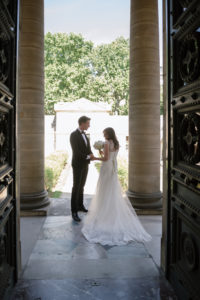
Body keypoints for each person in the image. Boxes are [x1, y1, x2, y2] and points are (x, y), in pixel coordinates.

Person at [81, 127, 151, 245]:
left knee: (104, 190)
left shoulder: (107, 143)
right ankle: (111, 214)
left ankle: (105, 215)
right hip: (113, 168)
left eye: (104, 133)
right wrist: (101, 151)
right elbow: (111, 156)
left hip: (107, 167)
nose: (103, 135)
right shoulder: (116, 143)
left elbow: (106, 158)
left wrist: (94, 158)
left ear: (108, 133)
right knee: (111, 190)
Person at [70, 116, 94, 222]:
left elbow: (87, 148)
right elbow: (76, 151)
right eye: (88, 123)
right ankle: (74, 211)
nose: (89, 125)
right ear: (82, 123)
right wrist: (88, 156)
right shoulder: (73, 135)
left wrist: (91, 153)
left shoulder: (85, 134)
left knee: (82, 186)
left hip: (85, 164)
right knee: (76, 187)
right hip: (78, 164)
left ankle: (80, 206)